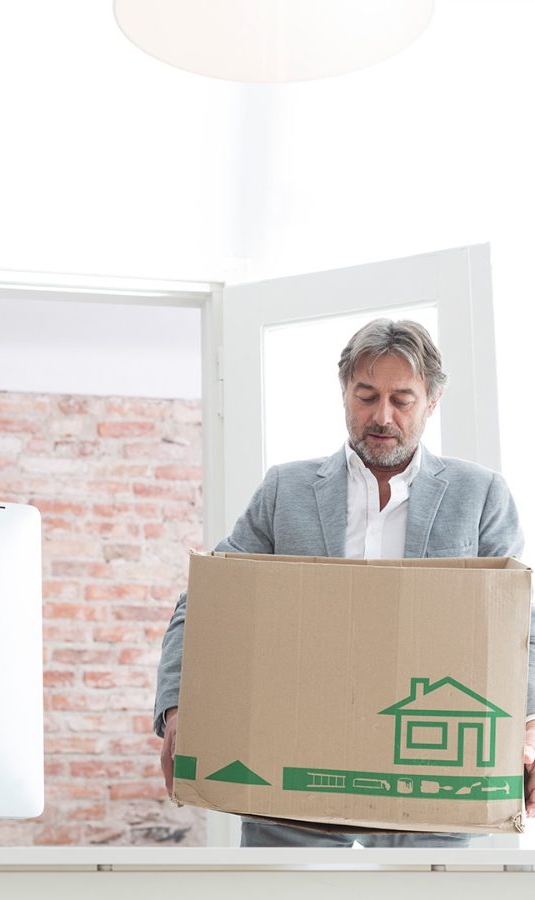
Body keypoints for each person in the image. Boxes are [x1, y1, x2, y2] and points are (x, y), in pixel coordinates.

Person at [155, 318, 532, 848]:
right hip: (288, 797)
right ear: (343, 393)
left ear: (433, 401)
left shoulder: (481, 495)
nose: (382, 417)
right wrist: (178, 708)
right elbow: (205, 602)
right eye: (366, 396)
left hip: (426, 803)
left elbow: (519, 631)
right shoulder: (284, 490)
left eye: (402, 400)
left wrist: (529, 726)